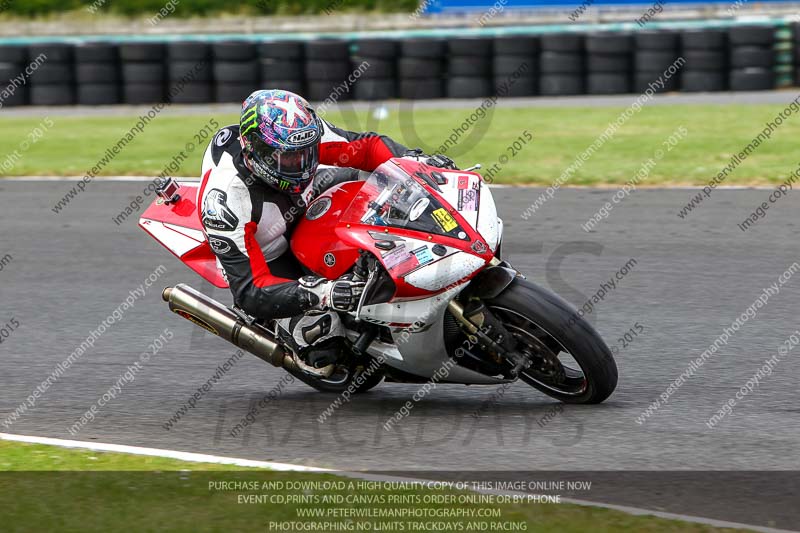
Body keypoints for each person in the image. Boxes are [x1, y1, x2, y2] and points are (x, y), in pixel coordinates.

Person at [198, 89, 411, 368]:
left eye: (306, 154)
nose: (301, 164)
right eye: (289, 158)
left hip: (304, 200)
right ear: (256, 151)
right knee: (325, 349)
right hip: (269, 251)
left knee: (387, 185)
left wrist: (413, 163)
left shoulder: (301, 132)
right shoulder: (225, 200)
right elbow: (250, 290)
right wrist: (321, 293)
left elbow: (367, 148)